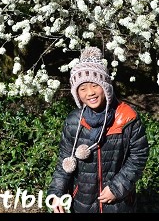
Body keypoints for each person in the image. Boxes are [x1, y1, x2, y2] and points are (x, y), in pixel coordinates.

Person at [47, 46, 149, 213]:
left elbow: (138, 156)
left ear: (106, 86)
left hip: (118, 204)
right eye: (82, 88)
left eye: (95, 85)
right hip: (82, 203)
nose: (90, 93)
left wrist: (117, 188)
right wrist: (56, 193)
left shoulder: (126, 117)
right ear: (77, 94)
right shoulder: (74, 121)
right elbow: (65, 161)